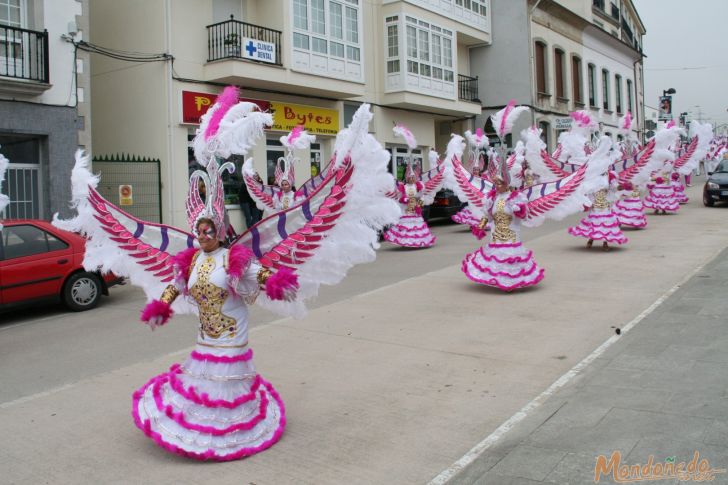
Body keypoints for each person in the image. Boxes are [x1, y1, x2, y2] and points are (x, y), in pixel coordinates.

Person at [135, 216, 296, 460]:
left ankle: (232, 435)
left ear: (219, 233)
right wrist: (160, 307)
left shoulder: (233, 257)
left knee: (226, 381)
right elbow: (174, 285)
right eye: (199, 231)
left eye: (208, 231)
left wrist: (277, 283)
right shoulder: (191, 260)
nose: (202, 236)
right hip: (206, 334)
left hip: (232, 331)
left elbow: (259, 272)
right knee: (204, 382)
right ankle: (204, 433)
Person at [568, 171, 628, 251]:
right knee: (595, 223)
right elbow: (587, 190)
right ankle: (591, 239)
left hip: (606, 204)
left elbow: (615, 187)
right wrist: (588, 201)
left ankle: (605, 243)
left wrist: (623, 186)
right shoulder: (592, 175)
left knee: (606, 224)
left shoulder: (609, 175)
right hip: (595, 204)